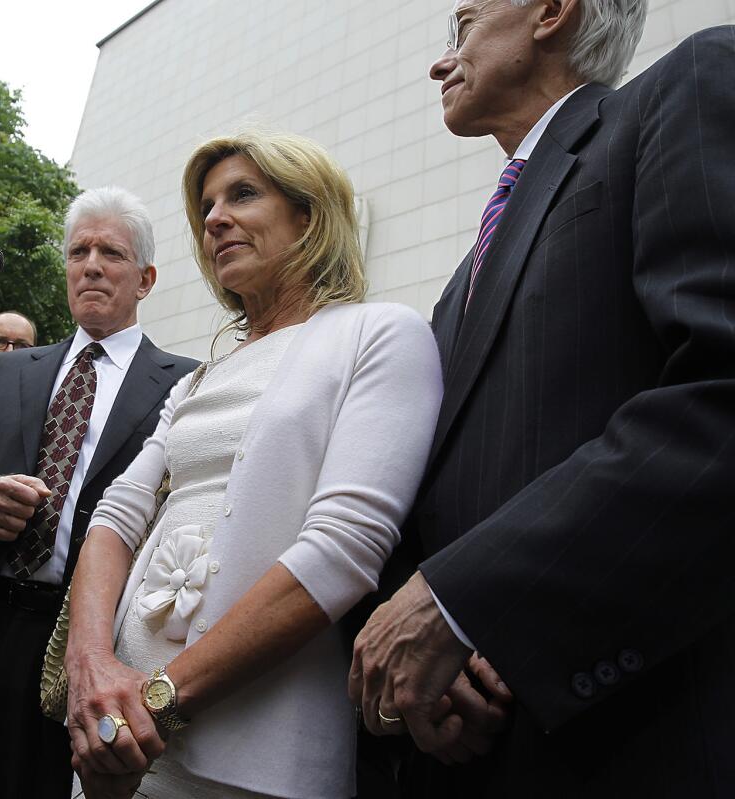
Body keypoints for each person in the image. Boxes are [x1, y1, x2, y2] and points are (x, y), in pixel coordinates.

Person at [350, 4, 735, 797]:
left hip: (631, 743)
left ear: (553, 12)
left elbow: (718, 395)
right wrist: (426, 630)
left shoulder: (686, 88)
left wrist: (467, 601)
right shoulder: (462, 281)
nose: (439, 61)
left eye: (463, 23)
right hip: (471, 746)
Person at [62, 132, 441, 799]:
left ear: (308, 214)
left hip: (253, 752)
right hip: (115, 738)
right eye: (206, 205)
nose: (213, 219)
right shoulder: (198, 378)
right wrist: (90, 667)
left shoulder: (381, 334)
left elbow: (343, 550)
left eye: (242, 194)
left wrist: (161, 699)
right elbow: (116, 517)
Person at [0, 186, 198, 798]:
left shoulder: (185, 385)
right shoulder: (8, 372)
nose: (90, 264)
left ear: (145, 278)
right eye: (78, 250)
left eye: (110, 253)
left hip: (84, 642)